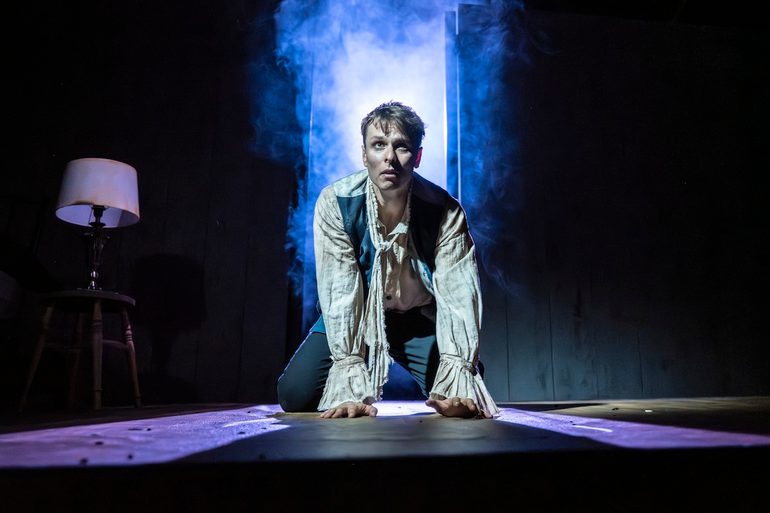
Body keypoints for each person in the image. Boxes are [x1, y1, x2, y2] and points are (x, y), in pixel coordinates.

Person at [277, 101, 499, 419]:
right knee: (294, 394)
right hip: (357, 314)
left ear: (418, 156)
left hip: (415, 317)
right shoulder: (336, 202)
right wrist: (349, 380)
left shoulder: (445, 211)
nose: (389, 158)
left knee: (463, 393)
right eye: (379, 145)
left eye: (402, 147)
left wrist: (459, 368)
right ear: (364, 154)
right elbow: (341, 292)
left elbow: (459, 296)